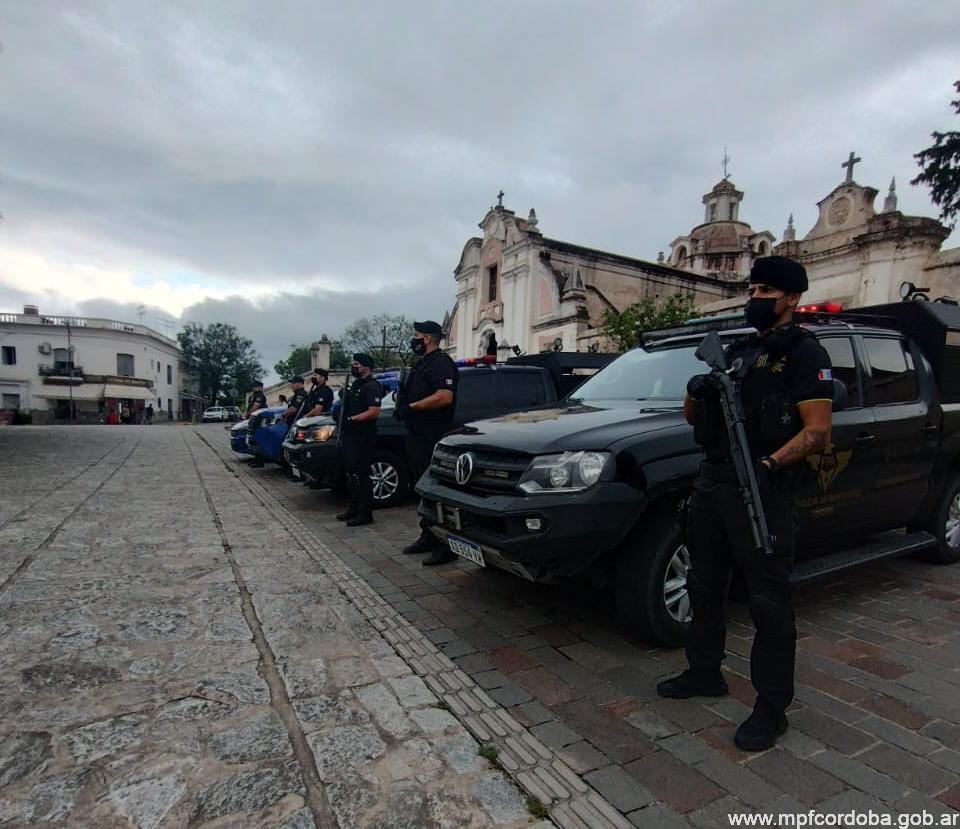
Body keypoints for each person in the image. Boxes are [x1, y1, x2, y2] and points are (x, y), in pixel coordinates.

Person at [657, 255, 833, 752]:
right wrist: (698, 389)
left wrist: (770, 465)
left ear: (791, 298)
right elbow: (694, 417)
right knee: (704, 584)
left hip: (763, 491)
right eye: (752, 289)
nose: (755, 298)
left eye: (765, 291)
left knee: (768, 602)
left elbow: (817, 433)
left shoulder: (805, 354)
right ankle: (704, 672)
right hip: (713, 484)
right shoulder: (737, 351)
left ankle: (771, 708)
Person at [399, 320, 459, 565]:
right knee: (423, 490)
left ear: (426, 338)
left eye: (416, 335)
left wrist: (412, 406)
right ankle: (429, 535)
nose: (413, 340)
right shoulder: (423, 364)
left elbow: (444, 396)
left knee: (438, 492)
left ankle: (447, 545)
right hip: (418, 435)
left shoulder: (441, 363)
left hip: (433, 436)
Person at [337, 353, 382, 527]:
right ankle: (353, 507)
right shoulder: (356, 385)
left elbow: (373, 411)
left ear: (366, 366)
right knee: (351, 474)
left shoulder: (371, 386)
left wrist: (352, 419)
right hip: (350, 435)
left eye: (356, 364)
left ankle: (365, 512)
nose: (353, 367)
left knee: (362, 475)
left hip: (362, 436)